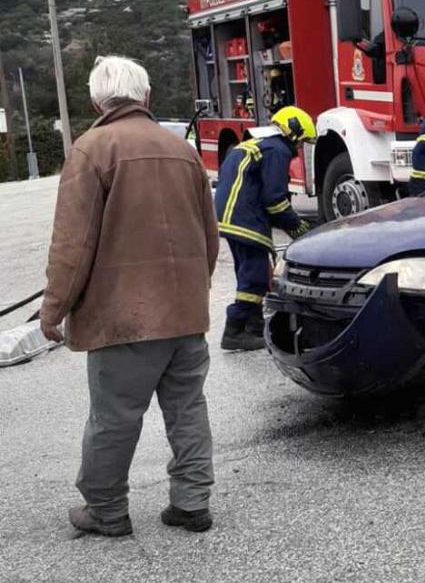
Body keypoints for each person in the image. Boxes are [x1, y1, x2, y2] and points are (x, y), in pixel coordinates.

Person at [40, 55, 220, 538]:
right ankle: (191, 502)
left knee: (114, 418)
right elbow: (209, 237)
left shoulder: (92, 149)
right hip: (185, 316)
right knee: (188, 411)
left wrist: (53, 307)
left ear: (98, 99)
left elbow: (72, 246)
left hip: (123, 320)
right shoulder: (181, 150)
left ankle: (106, 510)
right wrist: (194, 293)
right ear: (146, 97)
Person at [215, 105, 315, 350]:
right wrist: (299, 228)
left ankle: (254, 328)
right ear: (292, 133)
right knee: (256, 276)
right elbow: (275, 200)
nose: (299, 150)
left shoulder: (257, 144)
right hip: (245, 219)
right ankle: (234, 330)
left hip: (231, 217)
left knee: (251, 271)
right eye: (301, 143)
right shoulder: (277, 150)